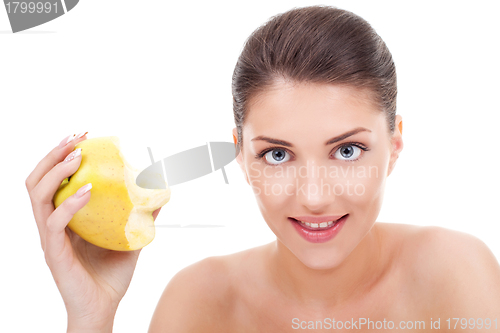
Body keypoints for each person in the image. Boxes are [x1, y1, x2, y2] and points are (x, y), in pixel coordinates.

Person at [26, 5, 500, 332]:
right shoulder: (197, 303)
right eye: (277, 154)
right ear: (242, 156)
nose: (314, 196)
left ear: (395, 145)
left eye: (347, 151)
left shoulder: (453, 272)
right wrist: (91, 319)